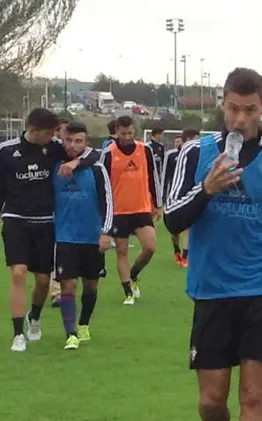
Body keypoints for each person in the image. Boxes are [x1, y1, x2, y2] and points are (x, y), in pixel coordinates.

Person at [164, 67, 262, 421]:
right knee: (211, 403)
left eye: (250, 110)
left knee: (253, 400)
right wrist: (206, 189)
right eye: (234, 109)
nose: (240, 119)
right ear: (222, 105)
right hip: (212, 292)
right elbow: (172, 220)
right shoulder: (195, 154)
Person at [0, 107, 98, 352]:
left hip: (46, 222)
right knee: (18, 273)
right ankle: (18, 334)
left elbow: (93, 154)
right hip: (15, 220)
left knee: (44, 280)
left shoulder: (54, 148)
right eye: (49, 133)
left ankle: (34, 315)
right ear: (33, 130)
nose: (54, 137)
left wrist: (76, 161)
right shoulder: (6, 150)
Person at [52, 122, 114, 349]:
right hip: (65, 237)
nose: (72, 145)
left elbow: (108, 202)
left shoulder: (97, 169)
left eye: (78, 141)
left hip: (92, 237)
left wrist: (106, 232)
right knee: (68, 286)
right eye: (68, 140)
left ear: (86, 143)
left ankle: (84, 324)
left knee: (90, 286)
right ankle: (71, 334)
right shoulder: (54, 166)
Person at [101, 115, 162, 305]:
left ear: (134, 130)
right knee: (122, 252)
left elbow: (153, 176)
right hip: (118, 211)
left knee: (150, 247)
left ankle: (134, 274)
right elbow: (102, 183)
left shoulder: (145, 150)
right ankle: (128, 291)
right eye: (123, 133)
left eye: (130, 133)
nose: (127, 136)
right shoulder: (108, 153)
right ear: (116, 132)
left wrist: (158, 203)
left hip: (141, 208)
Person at [163, 129, 199, 267]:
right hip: (174, 195)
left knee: (189, 228)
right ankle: (176, 249)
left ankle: (185, 255)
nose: (197, 142)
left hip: (190, 195)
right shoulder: (172, 155)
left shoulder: (197, 154)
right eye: (195, 139)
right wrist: (162, 196)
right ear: (187, 140)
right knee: (175, 231)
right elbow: (165, 175)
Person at [49, 117, 71, 308]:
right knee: (56, 248)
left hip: (72, 208)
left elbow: (92, 156)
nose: (63, 136)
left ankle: (65, 288)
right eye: (61, 131)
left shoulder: (78, 154)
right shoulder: (51, 151)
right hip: (51, 207)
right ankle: (57, 291)